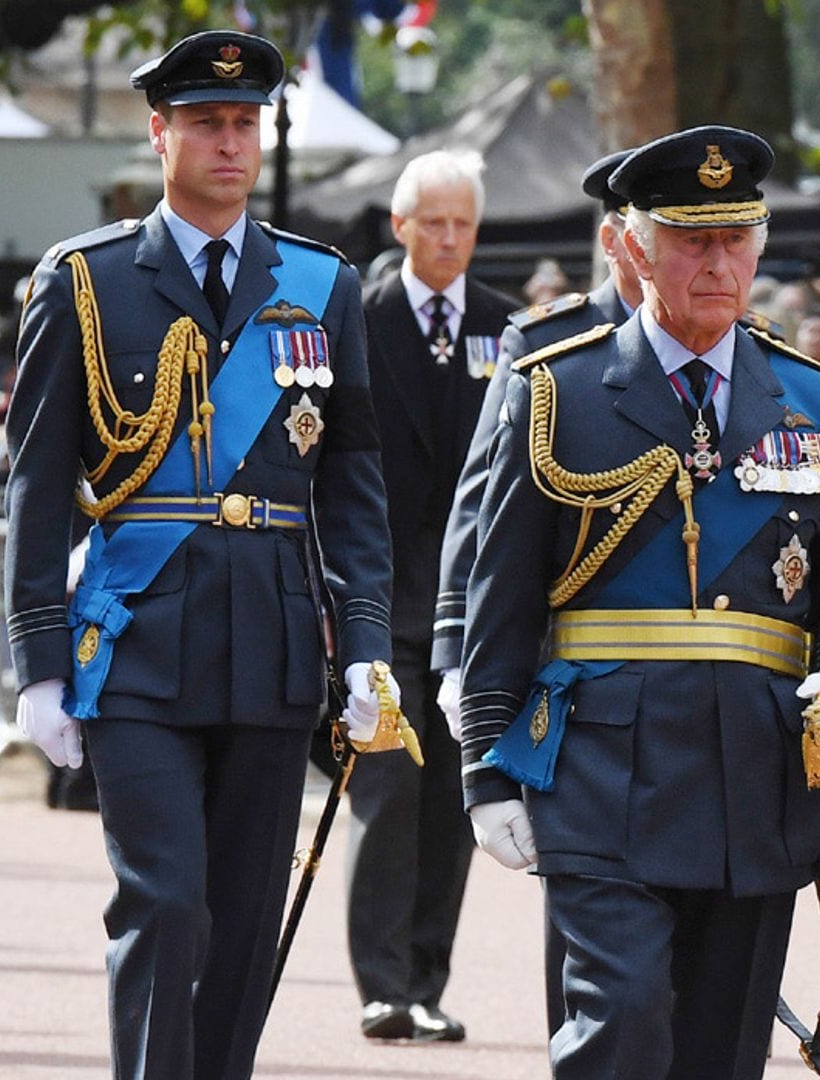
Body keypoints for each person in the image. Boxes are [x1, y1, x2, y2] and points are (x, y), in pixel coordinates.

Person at [3, 31, 393, 1080]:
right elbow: (40, 489)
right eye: (206, 123)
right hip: (138, 644)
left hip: (271, 650)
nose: (230, 142)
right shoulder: (84, 283)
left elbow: (353, 490)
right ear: (160, 132)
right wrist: (39, 664)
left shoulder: (321, 285)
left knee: (241, 926)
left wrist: (362, 646)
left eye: (245, 123)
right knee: (166, 905)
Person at [456, 125, 820, 1077]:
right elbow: (502, 603)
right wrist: (486, 771)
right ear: (630, 247)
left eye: (736, 238)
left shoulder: (813, 403)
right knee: (625, 1023)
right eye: (692, 239)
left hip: (755, 774)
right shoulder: (555, 394)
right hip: (602, 771)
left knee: (723, 1053)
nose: (718, 263)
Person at [430, 145, 641, 1041]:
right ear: (619, 242)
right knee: (588, 920)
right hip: (568, 661)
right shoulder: (544, 341)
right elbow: (481, 512)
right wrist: (455, 652)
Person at [343, 149, 519, 1042]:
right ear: (401, 226)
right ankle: (380, 981)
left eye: (464, 225)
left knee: (455, 802)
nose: (450, 240)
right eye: (434, 223)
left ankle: (426, 978)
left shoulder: (507, 329)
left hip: (469, 609)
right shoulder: (360, 321)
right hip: (378, 595)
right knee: (387, 795)